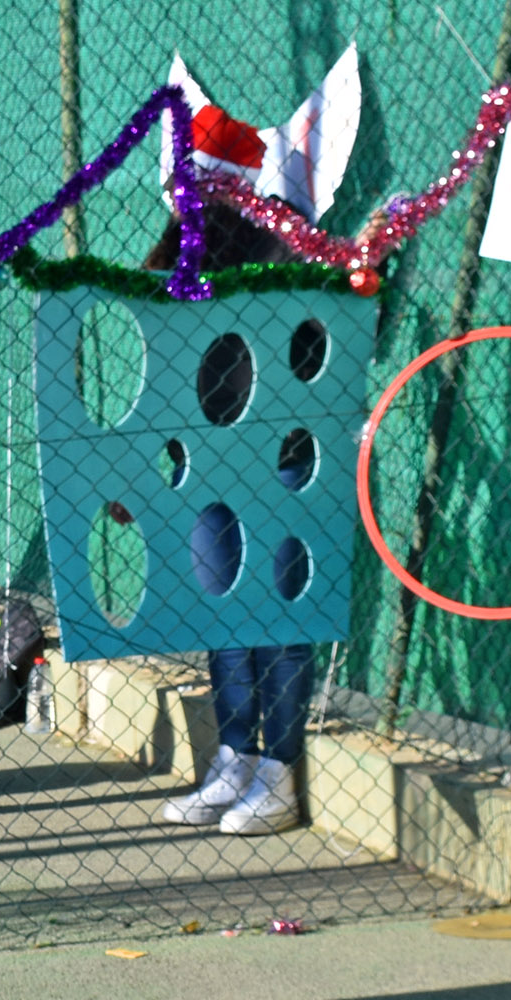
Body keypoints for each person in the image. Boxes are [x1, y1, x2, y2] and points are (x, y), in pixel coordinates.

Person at [142, 104, 317, 837]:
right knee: (224, 613)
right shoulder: (176, 255)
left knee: (277, 616)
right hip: (206, 465)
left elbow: (307, 357)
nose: (187, 202)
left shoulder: (284, 251)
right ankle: (234, 758)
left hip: (275, 463)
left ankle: (278, 772)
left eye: (200, 187)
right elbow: (162, 368)